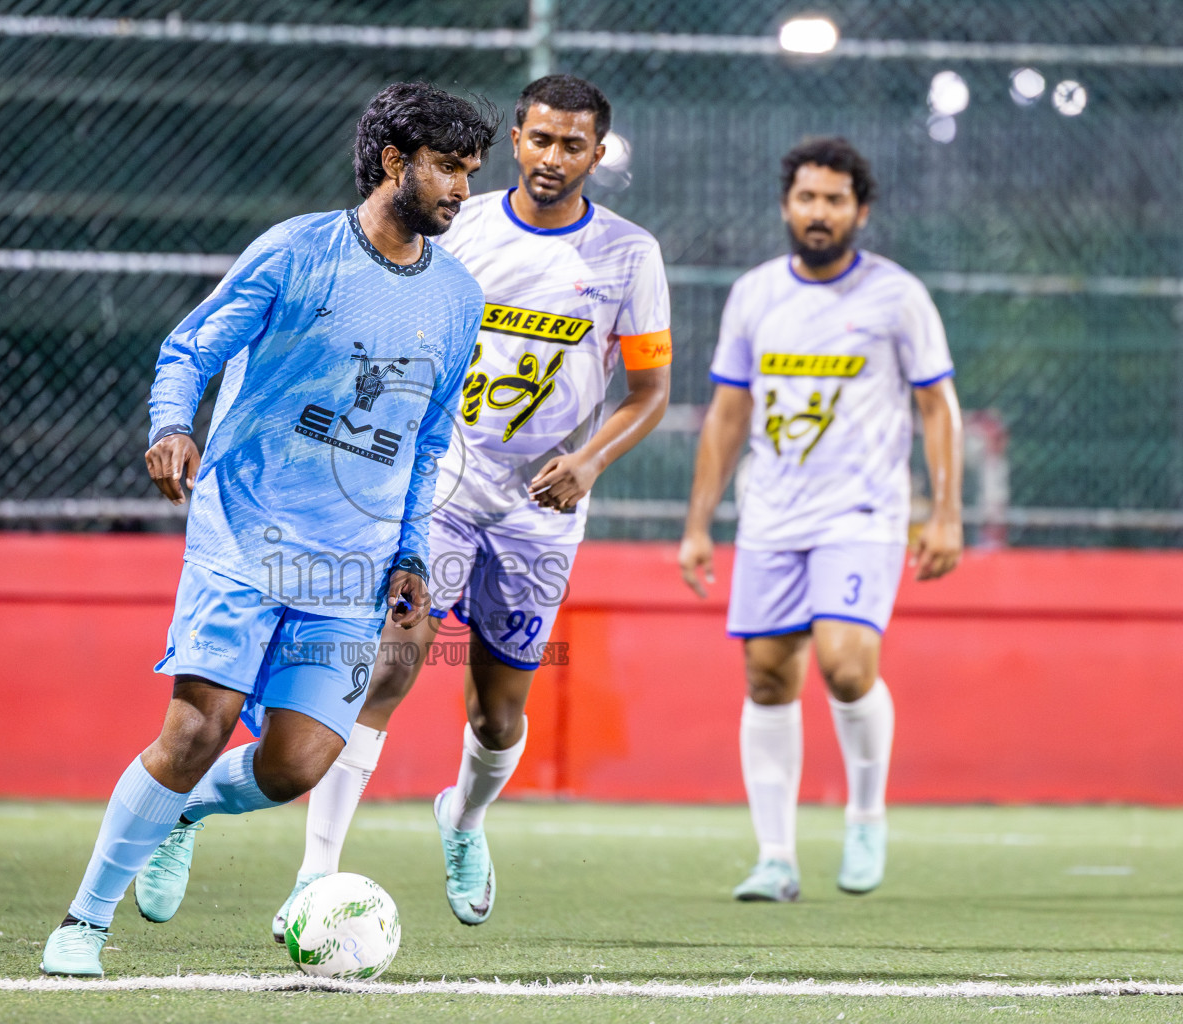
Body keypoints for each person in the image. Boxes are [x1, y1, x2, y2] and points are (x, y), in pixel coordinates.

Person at [39, 81, 498, 977]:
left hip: (352, 567)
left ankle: (181, 817)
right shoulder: (297, 252)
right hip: (246, 533)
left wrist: (408, 549)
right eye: (448, 168)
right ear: (396, 162)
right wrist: (172, 425)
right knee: (197, 729)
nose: (462, 191)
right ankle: (83, 925)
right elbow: (190, 348)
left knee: (294, 767)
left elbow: (428, 436)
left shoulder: (457, 297)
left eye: (472, 172)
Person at [272, 73, 673, 937]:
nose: (551, 157)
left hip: (542, 508)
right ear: (517, 141)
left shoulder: (630, 256)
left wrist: (590, 461)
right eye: (537, 138)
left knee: (498, 711)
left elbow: (649, 391)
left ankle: (463, 820)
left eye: (572, 144)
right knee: (390, 662)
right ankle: (314, 876)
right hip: (444, 485)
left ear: (598, 155)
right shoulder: (463, 228)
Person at [678, 136, 963, 903]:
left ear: (859, 211)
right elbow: (728, 413)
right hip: (771, 515)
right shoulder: (755, 294)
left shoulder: (897, 296)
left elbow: (937, 405)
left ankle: (866, 816)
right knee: (768, 677)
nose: (819, 211)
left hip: (863, 513)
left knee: (844, 664)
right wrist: (699, 522)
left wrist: (946, 512)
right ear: (786, 205)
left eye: (835, 199)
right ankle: (776, 857)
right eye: (807, 197)